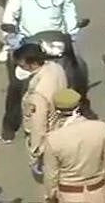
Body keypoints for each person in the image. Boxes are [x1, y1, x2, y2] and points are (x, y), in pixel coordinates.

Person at [0, 0, 80, 140]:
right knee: (16, 86)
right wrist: (11, 34)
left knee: (75, 73)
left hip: (55, 41)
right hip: (28, 42)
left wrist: (73, 30)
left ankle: (78, 110)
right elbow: (10, 13)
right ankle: (10, 124)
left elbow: (68, 9)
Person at [43, 88, 105, 203]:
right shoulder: (101, 128)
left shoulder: (53, 139)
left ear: (58, 112)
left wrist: (50, 196)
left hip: (70, 195)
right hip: (98, 192)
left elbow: (51, 176)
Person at [15, 42, 68, 175]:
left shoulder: (39, 93)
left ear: (32, 64)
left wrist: (35, 153)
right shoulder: (56, 68)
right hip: (62, 123)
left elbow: (38, 125)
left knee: (52, 172)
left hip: (49, 135)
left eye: (22, 65)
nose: (21, 68)